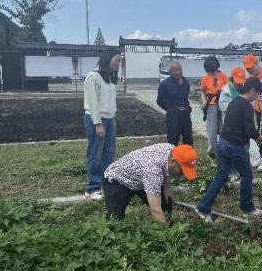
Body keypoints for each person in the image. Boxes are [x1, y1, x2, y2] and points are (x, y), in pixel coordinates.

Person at [195, 77, 262, 222]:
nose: (257, 97)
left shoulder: (234, 102)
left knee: (221, 177)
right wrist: (261, 139)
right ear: (252, 91)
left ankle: (203, 207)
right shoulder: (246, 106)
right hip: (236, 147)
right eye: (257, 94)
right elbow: (249, 130)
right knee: (247, 176)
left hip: (223, 143)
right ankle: (247, 207)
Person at [103, 144, 198, 223]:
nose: (183, 175)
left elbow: (168, 170)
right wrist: (169, 238)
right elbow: (155, 210)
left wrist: (167, 188)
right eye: (182, 171)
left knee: (165, 202)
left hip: (140, 177)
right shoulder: (153, 172)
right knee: (115, 219)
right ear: (173, 162)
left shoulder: (172, 150)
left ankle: (165, 220)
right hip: (117, 180)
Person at [83, 48, 122, 200]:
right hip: (96, 120)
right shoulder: (93, 76)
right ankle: (92, 188)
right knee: (95, 154)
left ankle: (108, 184)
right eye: (117, 60)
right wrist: (98, 124)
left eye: (120, 61)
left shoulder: (110, 77)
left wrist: (112, 119)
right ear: (108, 59)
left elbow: (110, 101)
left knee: (110, 153)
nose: (119, 64)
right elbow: (93, 102)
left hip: (109, 120)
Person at [219, 67, 247, 183]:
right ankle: (232, 172)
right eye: (237, 81)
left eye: (241, 81)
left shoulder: (244, 89)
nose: (239, 84)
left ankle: (242, 171)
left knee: (243, 149)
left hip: (242, 125)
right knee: (231, 150)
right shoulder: (225, 90)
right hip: (230, 125)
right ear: (232, 79)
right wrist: (235, 106)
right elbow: (222, 106)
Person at [156, 60, 193, 146]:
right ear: (171, 71)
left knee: (189, 140)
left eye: (180, 69)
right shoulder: (164, 84)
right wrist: (171, 108)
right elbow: (159, 101)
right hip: (173, 116)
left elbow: (186, 97)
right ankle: (173, 159)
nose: (178, 72)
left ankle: (188, 159)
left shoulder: (186, 82)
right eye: (175, 70)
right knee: (172, 141)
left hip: (186, 115)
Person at [200, 56, 228, 160]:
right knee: (211, 130)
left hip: (222, 105)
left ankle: (223, 149)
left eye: (212, 71)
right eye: (209, 71)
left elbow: (227, 91)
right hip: (211, 105)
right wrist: (203, 101)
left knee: (223, 128)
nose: (211, 73)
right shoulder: (205, 78)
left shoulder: (223, 76)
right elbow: (202, 91)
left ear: (216, 67)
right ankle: (212, 151)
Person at [244, 54, 262, 170]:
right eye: (247, 68)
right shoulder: (251, 77)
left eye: (251, 67)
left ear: (257, 63)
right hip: (257, 109)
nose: (249, 69)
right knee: (258, 134)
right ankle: (261, 156)